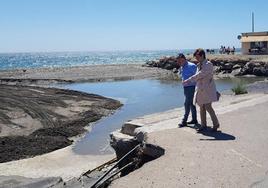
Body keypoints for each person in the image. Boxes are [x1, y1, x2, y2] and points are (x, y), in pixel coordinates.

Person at [183, 49, 220, 132]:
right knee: (202, 108)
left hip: (207, 90)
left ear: (202, 55)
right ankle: (203, 125)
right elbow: (198, 76)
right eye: (195, 57)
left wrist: (189, 80)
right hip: (200, 90)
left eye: (197, 56)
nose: (196, 58)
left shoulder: (208, 64)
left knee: (208, 107)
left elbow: (200, 75)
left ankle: (216, 124)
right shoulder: (199, 65)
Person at [177, 53, 198, 127]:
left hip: (191, 87)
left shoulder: (191, 66)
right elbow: (183, 75)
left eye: (180, 61)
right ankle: (194, 120)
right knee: (192, 104)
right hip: (186, 88)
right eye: (178, 61)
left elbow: (197, 76)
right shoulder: (182, 66)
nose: (179, 63)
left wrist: (189, 82)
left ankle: (184, 121)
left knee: (186, 104)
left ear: (184, 59)